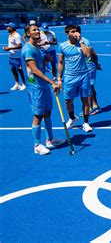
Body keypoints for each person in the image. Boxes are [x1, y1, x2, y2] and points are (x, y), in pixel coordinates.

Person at [21, 24, 65, 155]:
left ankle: (50, 140)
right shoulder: (28, 49)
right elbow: (33, 70)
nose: (37, 31)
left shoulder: (37, 47)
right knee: (38, 115)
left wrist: (45, 61)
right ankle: (37, 145)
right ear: (28, 34)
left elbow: (38, 66)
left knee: (47, 112)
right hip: (35, 87)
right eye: (34, 30)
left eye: (37, 29)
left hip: (43, 85)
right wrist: (52, 81)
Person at [57, 24, 93, 132]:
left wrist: (81, 41)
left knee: (85, 99)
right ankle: (72, 118)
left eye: (76, 31)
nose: (75, 33)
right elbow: (61, 62)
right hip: (69, 77)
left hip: (83, 75)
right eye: (72, 31)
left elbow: (87, 55)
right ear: (67, 34)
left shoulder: (83, 42)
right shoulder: (62, 46)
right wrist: (59, 78)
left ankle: (86, 123)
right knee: (68, 100)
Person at [77, 25, 101, 115]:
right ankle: (95, 105)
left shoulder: (84, 42)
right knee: (90, 87)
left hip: (88, 67)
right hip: (85, 67)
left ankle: (91, 107)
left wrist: (95, 64)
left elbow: (93, 53)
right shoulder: (78, 41)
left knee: (88, 87)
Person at [3, 22, 26, 91]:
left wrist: (9, 48)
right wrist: (8, 48)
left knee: (20, 70)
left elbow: (19, 46)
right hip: (11, 56)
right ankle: (17, 84)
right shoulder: (10, 35)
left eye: (8, 27)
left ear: (11, 28)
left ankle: (24, 84)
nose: (6, 28)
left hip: (17, 57)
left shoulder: (17, 35)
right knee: (13, 70)